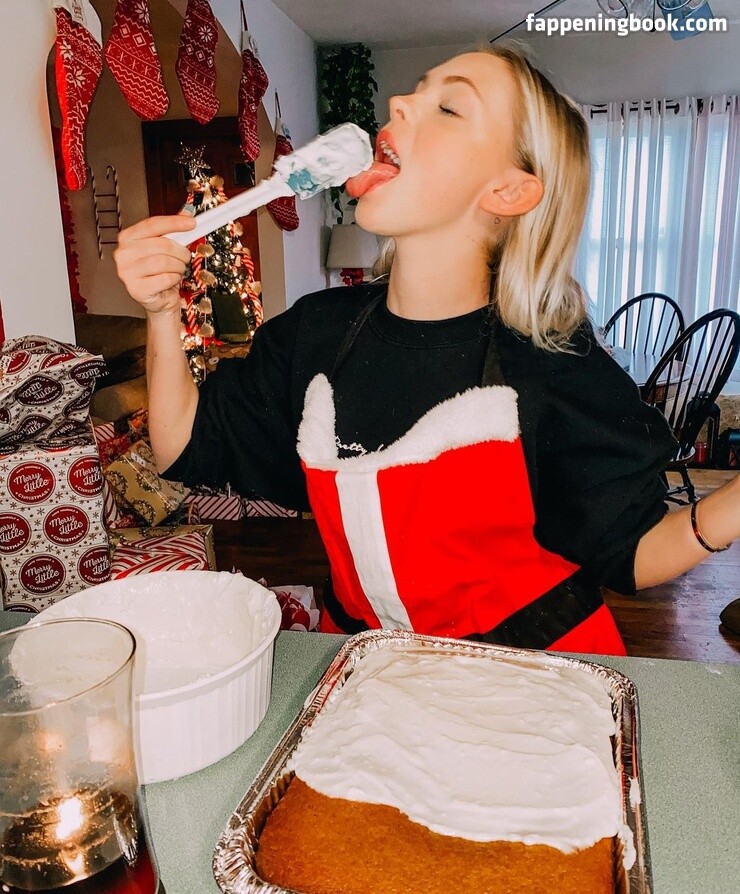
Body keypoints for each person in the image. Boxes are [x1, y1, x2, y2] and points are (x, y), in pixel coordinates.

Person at [114, 45, 739, 656]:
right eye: (417, 89)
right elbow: (182, 445)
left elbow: (633, 553)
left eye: (449, 107)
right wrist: (162, 310)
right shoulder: (315, 334)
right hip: (366, 671)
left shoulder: (552, 362)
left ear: (508, 192)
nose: (398, 103)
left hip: (531, 678)